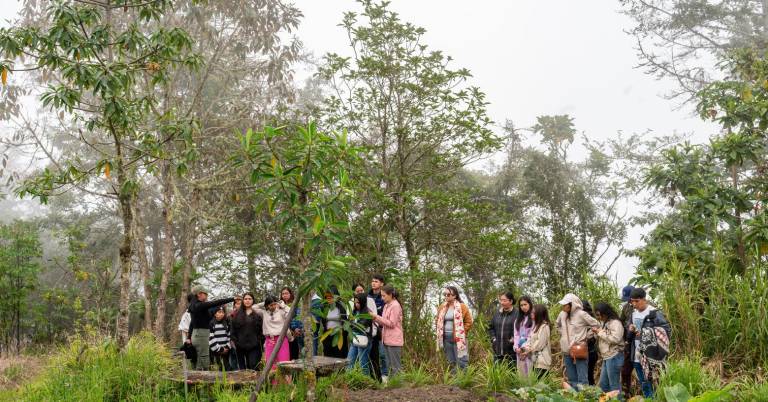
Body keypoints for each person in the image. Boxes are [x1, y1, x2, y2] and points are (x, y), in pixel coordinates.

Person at [626, 287, 671, 398]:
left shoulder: (654, 313)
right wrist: (630, 329)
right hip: (637, 353)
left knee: (655, 380)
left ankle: (657, 398)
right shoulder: (633, 314)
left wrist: (645, 333)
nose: (634, 304)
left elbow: (666, 330)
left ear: (644, 299)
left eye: (637, 301)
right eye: (632, 301)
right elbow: (629, 335)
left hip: (651, 354)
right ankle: (649, 399)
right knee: (643, 381)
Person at [556, 293, 600, 391]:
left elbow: (597, 325)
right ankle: (575, 398)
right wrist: (562, 334)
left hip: (579, 349)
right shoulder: (562, 314)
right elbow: (557, 325)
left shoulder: (581, 314)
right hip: (566, 350)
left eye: (565, 305)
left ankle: (584, 398)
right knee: (572, 379)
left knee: (582, 379)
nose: (563, 307)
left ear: (572, 304)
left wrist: (586, 337)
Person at [188, 287, 235, 370]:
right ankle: (202, 379)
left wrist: (189, 337)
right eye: (205, 294)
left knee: (200, 358)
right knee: (204, 359)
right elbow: (216, 303)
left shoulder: (195, 306)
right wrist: (233, 299)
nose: (207, 296)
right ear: (199, 294)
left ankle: (198, 378)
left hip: (197, 334)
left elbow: (192, 323)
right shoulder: (199, 305)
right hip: (201, 335)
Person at [436, 286, 473, 373]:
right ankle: (454, 382)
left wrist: (461, 332)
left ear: (455, 296)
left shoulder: (462, 307)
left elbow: (469, 322)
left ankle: (463, 382)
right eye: (444, 294)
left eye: (448, 294)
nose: (446, 296)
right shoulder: (442, 307)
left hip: (459, 339)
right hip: (446, 339)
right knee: (451, 361)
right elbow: (437, 320)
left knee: (462, 361)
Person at [593, 302, 625, 399]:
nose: (598, 317)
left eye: (599, 315)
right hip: (607, 357)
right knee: (604, 385)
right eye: (596, 315)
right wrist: (596, 333)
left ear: (605, 313)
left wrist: (600, 333)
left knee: (614, 386)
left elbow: (616, 339)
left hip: (614, 356)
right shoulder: (604, 323)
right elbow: (602, 337)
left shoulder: (616, 323)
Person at [370, 284, 403, 380]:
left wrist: (376, 317)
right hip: (386, 338)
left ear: (390, 295)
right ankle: (392, 385)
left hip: (394, 339)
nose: (382, 298)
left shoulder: (395, 306)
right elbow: (384, 321)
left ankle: (398, 385)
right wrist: (375, 319)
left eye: (384, 295)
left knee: (395, 366)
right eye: (381, 295)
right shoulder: (386, 305)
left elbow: (392, 323)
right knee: (389, 365)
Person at [255, 294, 293, 373]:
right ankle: (274, 384)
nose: (273, 306)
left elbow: (290, 312)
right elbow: (253, 307)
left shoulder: (281, 311)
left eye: (274, 304)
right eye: (271, 305)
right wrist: (265, 302)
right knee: (271, 363)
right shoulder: (264, 312)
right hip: (270, 340)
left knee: (284, 362)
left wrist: (282, 304)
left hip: (282, 339)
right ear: (267, 305)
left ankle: (286, 384)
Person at [230, 292, 264, 370]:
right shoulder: (236, 315)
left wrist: (258, 341)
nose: (247, 301)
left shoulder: (257, 315)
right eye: (245, 299)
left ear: (253, 300)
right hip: (240, 346)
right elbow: (233, 330)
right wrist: (236, 342)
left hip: (254, 346)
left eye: (250, 299)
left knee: (253, 366)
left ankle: (255, 382)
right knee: (242, 368)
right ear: (243, 301)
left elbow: (261, 331)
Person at [520, 304, 551, 379]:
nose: (531, 314)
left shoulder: (544, 326)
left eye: (533, 312)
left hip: (542, 361)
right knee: (536, 386)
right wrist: (524, 348)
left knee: (541, 386)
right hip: (535, 361)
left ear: (539, 314)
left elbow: (539, 344)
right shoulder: (536, 326)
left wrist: (528, 350)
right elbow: (529, 340)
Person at [487, 291, 518, 366]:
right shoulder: (497, 313)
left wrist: (513, 339)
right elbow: (490, 328)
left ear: (511, 301)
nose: (502, 302)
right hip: (497, 350)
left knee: (511, 374)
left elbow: (521, 330)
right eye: (501, 300)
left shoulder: (517, 314)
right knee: (497, 374)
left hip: (512, 352)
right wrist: (493, 339)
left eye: (504, 300)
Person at [347, 293, 373, 374]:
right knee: (349, 361)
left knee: (363, 363)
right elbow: (350, 323)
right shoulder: (355, 311)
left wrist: (350, 325)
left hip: (364, 340)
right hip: (354, 339)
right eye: (355, 302)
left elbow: (361, 326)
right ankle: (348, 381)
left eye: (358, 302)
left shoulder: (367, 312)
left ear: (362, 302)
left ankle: (366, 383)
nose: (356, 304)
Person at [368, 274, 388, 381]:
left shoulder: (384, 297)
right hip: (370, 329)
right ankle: (374, 375)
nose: (373, 283)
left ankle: (385, 375)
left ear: (381, 284)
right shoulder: (368, 296)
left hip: (382, 328)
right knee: (372, 354)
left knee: (383, 354)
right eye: (372, 281)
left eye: (376, 281)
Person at [320, 286, 349, 358]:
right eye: (327, 297)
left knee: (338, 356)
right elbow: (323, 322)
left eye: (331, 297)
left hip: (339, 335)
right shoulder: (324, 307)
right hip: (327, 335)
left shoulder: (341, 307)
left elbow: (345, 322)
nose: (329, 299)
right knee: (328, 356)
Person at [619, 285, 635, 397]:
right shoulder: (626, 307)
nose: (629, 301)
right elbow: (621, 322)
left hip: (640, 342)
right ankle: (626, 393)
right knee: (625, 370)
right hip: (628, 343)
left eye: (630, 298)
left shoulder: (646, 306)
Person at [513, 295, 534, 376]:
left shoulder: (533, 318)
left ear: (530, 304)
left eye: (525, 304)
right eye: (521, 305)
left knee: (530, 370)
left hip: (529, 349)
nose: (523, 307)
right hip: (519, 349)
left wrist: (524, 348)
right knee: (521, 370)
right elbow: (516, 335)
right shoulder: (518, 320)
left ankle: (531, 388)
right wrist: (516, 347)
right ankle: (522, 388)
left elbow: (532, 334)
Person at [281, 287, 303, 360]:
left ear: (290, 294)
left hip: (293, 331)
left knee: (294, 350)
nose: (284, 295)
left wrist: (296, 328)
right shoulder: (280, 306)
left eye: (286, 293)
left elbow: (298, 316)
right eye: (283, 294)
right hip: (283, 331)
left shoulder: (295, 304)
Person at [581, 300, 599, 386]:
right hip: (590, 351)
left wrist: (585, 337)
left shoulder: (589, 320)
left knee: (587, 375)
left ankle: (590, 395)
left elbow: (594, 333)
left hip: (589, 351)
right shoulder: (591, 318)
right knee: (588, 375)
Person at [209, 307, 232, 371]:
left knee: (227, 366)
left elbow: (229, 336)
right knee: (220, 366)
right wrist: (220, 349)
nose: (221, 314)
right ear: (215, 314)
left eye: (222, 312)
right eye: (219, 312)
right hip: (217, 350)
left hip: (226, 350)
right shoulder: (212, 323)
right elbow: (211, 338)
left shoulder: (226, 323)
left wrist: (227, 347)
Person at [178, 292, 197, 367]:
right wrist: (187, 340)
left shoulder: (197, 311)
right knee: (193, 357)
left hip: (198, 338)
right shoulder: (186, 314)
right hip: (190, 340)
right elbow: (184, 329)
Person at [228, 295, 242, 370]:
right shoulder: (230, 315)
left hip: (243, 341)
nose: (238, 305)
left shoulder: (246, 314)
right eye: (236, 303)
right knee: (233, 359)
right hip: (232, 340)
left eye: (240, 303)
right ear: (234, 305)